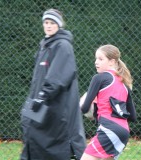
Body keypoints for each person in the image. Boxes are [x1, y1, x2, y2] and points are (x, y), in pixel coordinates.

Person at [20, 8, 86, 160]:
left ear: (59, 25)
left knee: (56, 140)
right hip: (38, 101)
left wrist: (42, 96)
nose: (48, 26)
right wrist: (34, 98)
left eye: (52, 23)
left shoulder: (63, 45)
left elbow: (59, 76)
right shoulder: (44, 45)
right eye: (46, 22)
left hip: (54, 104)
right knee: (27, 125)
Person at [80, 44, 136, 160]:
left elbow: (84, 108)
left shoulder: (99, 78)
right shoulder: (125, 83)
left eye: (100, 59)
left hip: (108, 129)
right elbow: (133, 117)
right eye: (96, 59)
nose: (96, 62)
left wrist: (88, 106)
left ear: (112, 61)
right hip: (123, 132)